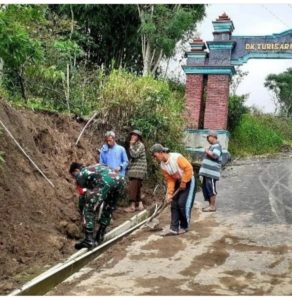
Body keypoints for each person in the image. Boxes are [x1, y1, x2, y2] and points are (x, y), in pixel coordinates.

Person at [69, 162, 125, 250]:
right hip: (120, 181)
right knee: (108, 208)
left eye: (73, 175)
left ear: (76, 170)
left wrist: (82, 207)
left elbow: (84, 194)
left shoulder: (82, 173)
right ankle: (100, 234)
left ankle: (89, 239)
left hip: (106, 182)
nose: (74, 178)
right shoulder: (96, 166)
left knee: (88, 209)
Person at [150, 144, 196, 236]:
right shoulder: (163, 166)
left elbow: (189, 169)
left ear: (161, 152)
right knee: (174, 204)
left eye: (155, 155)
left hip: (189, 180)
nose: (155, 158)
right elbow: (170, 180)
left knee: (182, 204)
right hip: (178, 182)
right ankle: (174, 228)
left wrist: (184, 182)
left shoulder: (176, 158)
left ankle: (184, 226)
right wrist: (169, 193)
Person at [198, 130, 222, 212]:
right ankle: (210, 205)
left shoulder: (217, 146)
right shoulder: (212, 146)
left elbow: (215, 156)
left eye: (208, 137)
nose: (207, 139)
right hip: (207, 173)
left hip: (211, 173)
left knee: (211, 188)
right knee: (206, 188)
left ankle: (212, 206)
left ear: (213, 137)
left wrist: (207, 151)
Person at [124, 130, 147, 213]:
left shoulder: (140, 145)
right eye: (132, 135)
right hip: (135, 169)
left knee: (132, 187)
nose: (133, 137)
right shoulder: (135, 145)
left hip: (138, 170)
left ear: (138, 137)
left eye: (135, 136)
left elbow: (135, 155)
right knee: (137, 187)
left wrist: (130, 145)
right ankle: (140, 205)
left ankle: (132, 206)